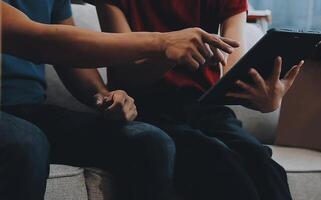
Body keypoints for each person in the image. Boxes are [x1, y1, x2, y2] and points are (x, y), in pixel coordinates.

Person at [0, 1, 238, 200]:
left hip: (30, 109)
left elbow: (71, 59)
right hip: (12, 121)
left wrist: (106, 97)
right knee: (27, 143)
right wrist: (161, 43)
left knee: (150, 140)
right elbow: (41, 42)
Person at [93, 0, 305, 199]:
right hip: (145, 107)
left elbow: (232, 70)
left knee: (263, 163)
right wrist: (168, 52)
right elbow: (126, 75)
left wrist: (261, 96)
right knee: (218, 160)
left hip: (206, 106)